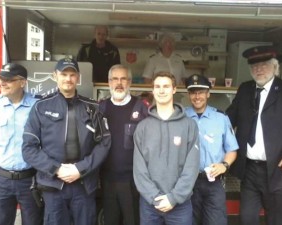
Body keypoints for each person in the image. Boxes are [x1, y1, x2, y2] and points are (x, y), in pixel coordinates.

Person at [22, 58, 111, 225]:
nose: (68, 79)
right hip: (53, 185)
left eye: (72, 74)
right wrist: (56, 169)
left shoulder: (93, 107)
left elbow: (104, 143)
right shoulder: (41, 107)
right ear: (55, 76)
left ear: (78, 77)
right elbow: (29, 148)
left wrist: (80, 168)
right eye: (64, 74)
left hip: (84, 185)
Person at [226, 45, 282, 225]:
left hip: (277, 170)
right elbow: (228, 118)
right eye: (254, 66)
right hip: (249, 169)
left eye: (264, 64)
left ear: (275, 67)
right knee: (247, 218)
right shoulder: (245, 89)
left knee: (276, 219)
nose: (258, 69)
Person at [133, 71, 200, 225]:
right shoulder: (143, 127)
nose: (161, 90)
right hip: (149, 204)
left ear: (174, 90)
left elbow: (192, 167)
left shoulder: (189, 125)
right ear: (153, 91)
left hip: (180, 205)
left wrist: (173, 198)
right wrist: (153, 197)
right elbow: (139, 169)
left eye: (166, 86)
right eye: (157, 86)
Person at [0, 63, 43, 225]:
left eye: (8, 79)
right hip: (2, 179)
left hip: (31, 179)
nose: (2, 83)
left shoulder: (38, 105)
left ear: (22, 82)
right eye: (0, 78)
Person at [184, 74, 238, 225]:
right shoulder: (181, 117)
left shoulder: (220, 118)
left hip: (213, 183)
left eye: (201, 92)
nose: (197, 96)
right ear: (189, 95)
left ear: (208, 93)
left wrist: (224, 165)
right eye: (193, 92)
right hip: (188, 182)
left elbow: (232, 149)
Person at [99, 64, 148, 225]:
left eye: (123, 79)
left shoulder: (141, 108)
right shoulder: (100, 108)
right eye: (115, 79)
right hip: (106, 181)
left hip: (132, 182)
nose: (119, 83)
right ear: (109, 82)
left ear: (130, 82)